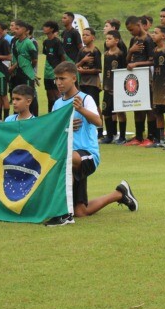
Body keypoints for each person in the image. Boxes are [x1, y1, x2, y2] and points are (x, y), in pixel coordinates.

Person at [45, 61, 138, 226]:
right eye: (56, 79)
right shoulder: (57, 104)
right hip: (70, 158)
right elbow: (53, 130)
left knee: (64, 158)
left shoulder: (86, 99)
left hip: (86, 154)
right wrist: (65, 125)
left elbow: (97, 121)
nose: (58, 82)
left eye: (62, 78)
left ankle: (63, 213)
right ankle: (119, 193)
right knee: (81, 212)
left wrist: (80, 110)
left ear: (74, 78)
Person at [124, 16, 156, 146]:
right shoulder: (134, 39)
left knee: (149, 107)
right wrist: (130, 51)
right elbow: (127, 60)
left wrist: (137, 64)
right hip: (135, 78)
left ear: (139, 25)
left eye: (132, 29)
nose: (131, 32)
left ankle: (152, 136)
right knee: (137, 106)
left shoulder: (149, 40)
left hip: (147, 78)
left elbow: (153, 61)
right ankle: (138, 136)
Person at [100, 30, 128, 144]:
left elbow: (124, 71)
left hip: (118, 88)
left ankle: (122, 136)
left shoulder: (120, 54)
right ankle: (109, 136)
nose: (107, 41)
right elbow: (106, 70)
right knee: (106, 111)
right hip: (107, 87)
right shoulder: (106, 54)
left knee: (119, 111)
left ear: (116, 40)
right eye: (106, 39)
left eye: (109, 39)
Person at [77, 27, 103, 138]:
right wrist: (83, 62)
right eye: (83, 35)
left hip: (92, 82)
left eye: (87, 35)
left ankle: (100, 129)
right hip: (82, 82)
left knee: (95, 105)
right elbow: (75, 65)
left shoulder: (95, 51)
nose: (84, 37)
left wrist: (85, 71)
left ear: (93, 37)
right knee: (83, 105)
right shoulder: (82, 51)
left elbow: (99, 69)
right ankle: (87, 128)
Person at [41, 20, 67, 112]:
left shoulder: (57, 42)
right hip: (47, 72)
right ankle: (50, 113)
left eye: (46, 26)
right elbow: (47, 55)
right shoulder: (45, 42)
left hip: (55, 72)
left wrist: (60, 71)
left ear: (52, 29)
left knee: (57, 94)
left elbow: (62, 57)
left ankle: (60, 113)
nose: (44, 28)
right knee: (49, 94)